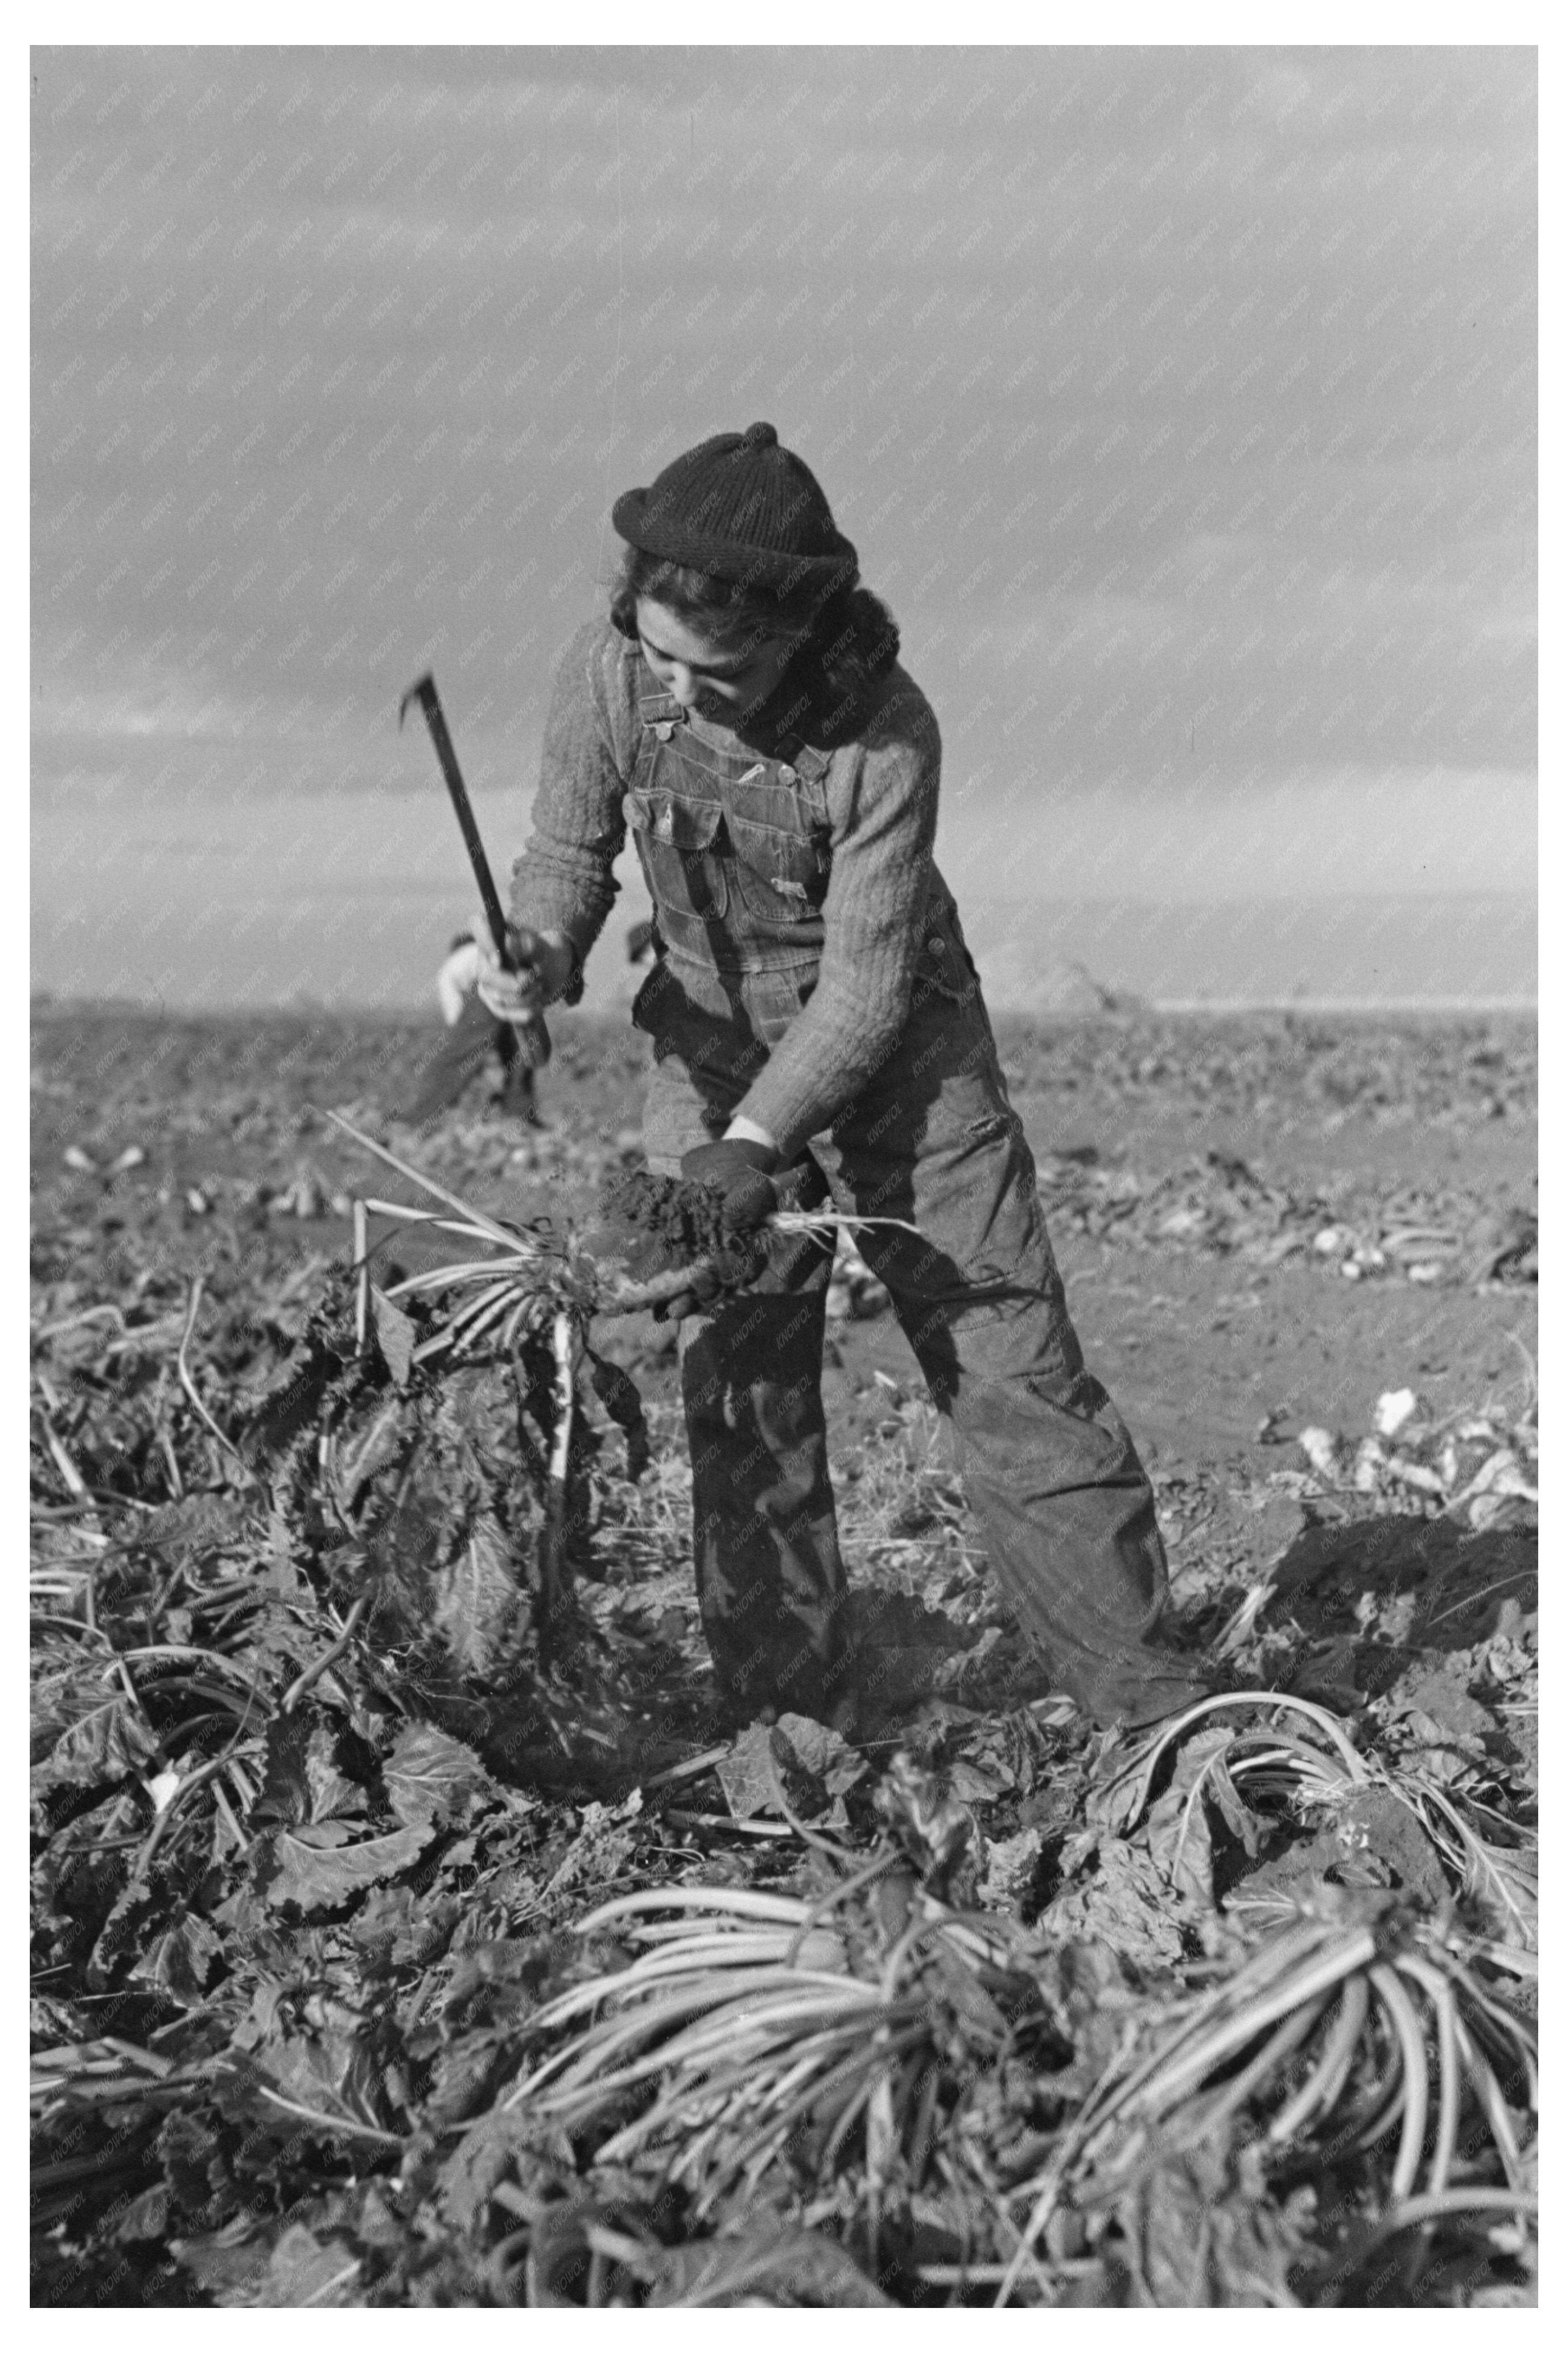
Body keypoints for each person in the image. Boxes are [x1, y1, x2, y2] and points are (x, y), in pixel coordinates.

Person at [470, 421, 1214, 1737]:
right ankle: (786, 1720)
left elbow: (863, 987)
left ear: (799, 627)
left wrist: (751, 1148)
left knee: (1007, 1366)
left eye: (723, 668)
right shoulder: (601, 674)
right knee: (740, 1381)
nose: (684, 692)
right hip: (706, 1044)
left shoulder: (883, 730)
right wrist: (534, 949)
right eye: (660, 656)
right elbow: (564, 854)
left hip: (904, 1060)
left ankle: (1148, 1712)